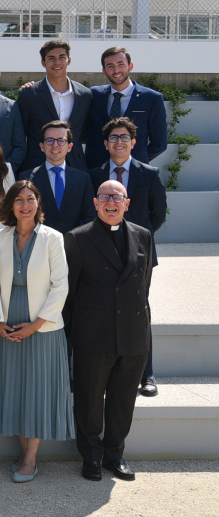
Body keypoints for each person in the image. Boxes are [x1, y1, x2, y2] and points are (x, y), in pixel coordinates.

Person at [0, 180, 73, 482]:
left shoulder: (53, 238)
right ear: (10, 205)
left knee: (37, 391)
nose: (25, 205)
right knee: (16, 389)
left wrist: (35, 326)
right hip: (6, 324)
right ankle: (23, 453)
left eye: (30, 198)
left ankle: (31, 459)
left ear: (38, 203)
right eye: (19, 199)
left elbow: (61, 286)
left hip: (42, 326)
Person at [65, 179, 154, 482]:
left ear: (127, 203)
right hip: (94, 333)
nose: (111, 202)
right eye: (104, 197)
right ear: (95, 203)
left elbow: (144, 285)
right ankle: (91, 456)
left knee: (123, 401)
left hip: (133, 333)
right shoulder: (77, 238)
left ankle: (114, 455)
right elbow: (70, 292)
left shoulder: (143, 235)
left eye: (117, 197)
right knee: (89, 400)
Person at [89, 116, 167, 397]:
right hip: (101, 253)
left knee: (139, 310)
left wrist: (137, 239)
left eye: (124, 137)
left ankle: (147, 374)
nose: (119, 142)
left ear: (133, 142)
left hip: (139, 255)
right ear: (106, 144)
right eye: (113, 138)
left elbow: (158, 214)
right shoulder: (94, 175)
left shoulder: (150, 174)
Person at [15, 40, 92, 172]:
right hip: (37, 166)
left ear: (69, 60)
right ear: (43, 63)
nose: (57, 62)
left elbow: (84, 132)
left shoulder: (85, 95)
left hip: (75, 165)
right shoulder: (29, 94)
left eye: (62, 57)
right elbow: (21, 134)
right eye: (51, 58)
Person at [85, 46, 167, 169]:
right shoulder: (93, 95)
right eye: (110, 66)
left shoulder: (151, 98)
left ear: (130, 66)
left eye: (121, 64)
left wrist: (135, 160)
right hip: (97, 169)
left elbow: (160, 143)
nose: (116, 70)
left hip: (135, 171)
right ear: (104, 71)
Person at [19, 121, 96, 234]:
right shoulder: (27, 177)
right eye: (50, 140)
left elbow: (89, 216)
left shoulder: (83, 179)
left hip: (75, 242)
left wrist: (73, 239)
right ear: (42, 146)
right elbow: (23, 213)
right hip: (39, 241)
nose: (55, 145)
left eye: (61, 140)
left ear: (69, 147)